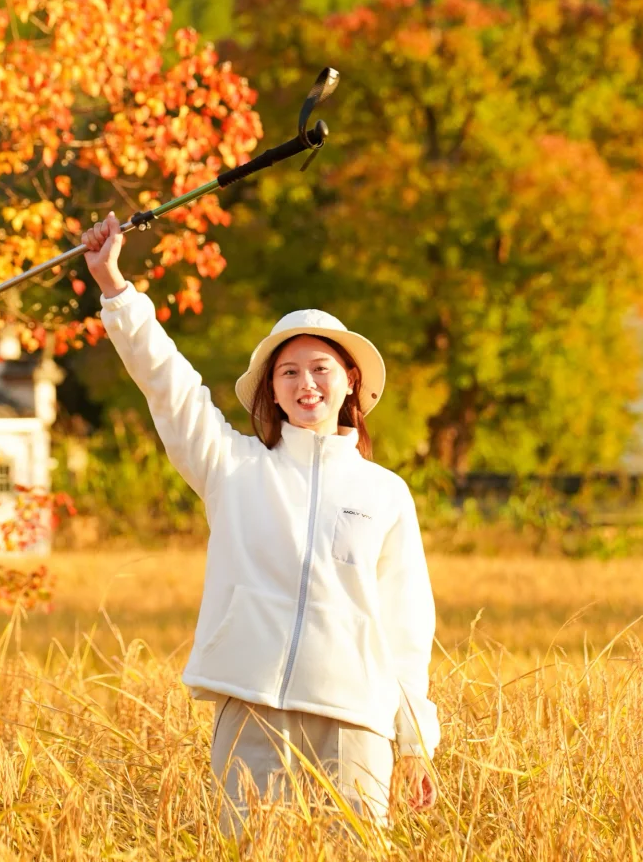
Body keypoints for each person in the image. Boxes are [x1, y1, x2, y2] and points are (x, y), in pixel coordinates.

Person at [81, 211, 439, 831]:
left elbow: (406, 627)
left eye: (321, 369)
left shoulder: (386, 493)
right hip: (249, 714)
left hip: (356, 721)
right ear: (270, 390)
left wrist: (413, 743)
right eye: (289, 372)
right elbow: (170, 387)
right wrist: (116, 288)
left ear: (349, 381)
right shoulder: (233, 467)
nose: (306, 384)